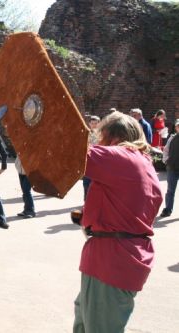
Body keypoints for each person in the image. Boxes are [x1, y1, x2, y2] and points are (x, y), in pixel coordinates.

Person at [73, 111, 162, 332]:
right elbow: (124, 208)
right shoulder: (142, 163)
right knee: (86, 319)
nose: (99, 143)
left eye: (101, 138)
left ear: (113, 138)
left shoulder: (122, 156)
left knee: (99, 327)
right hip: (114, 257)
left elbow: (70, 153)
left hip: (111, 260)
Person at [160, 119, 179, 217]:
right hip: (172, 167)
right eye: (178, 126)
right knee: (170, 190)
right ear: (176, 128)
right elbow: (166, 150)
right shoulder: (172, 138)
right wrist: (166, 160)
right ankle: (168, 209)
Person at [82, 115, 100, 201]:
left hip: (98, 161)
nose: (94, 125)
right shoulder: (86, 133)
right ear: (89, 124)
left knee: (95, 183)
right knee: (86, 182)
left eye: (95, 123)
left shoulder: (101, 135)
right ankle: (86, 200)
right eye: (92, 123)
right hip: (88, 160)